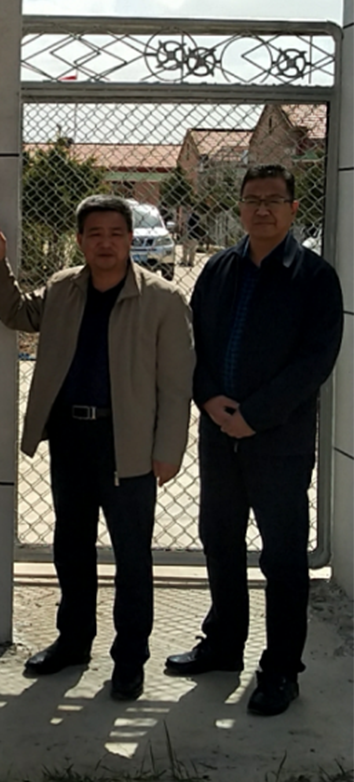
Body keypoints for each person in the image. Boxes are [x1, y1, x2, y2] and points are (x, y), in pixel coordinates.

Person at [0, 195, 194, 700]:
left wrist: (169, 448)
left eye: (116, 233)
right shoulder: (63, 288)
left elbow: (176, 384)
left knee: (132, 556)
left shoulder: (162, 300)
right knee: (71, 547)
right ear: (80, 240)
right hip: (72, 440)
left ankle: (130, 660)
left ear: (130, 239)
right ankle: (73, 641)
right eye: (95, 234)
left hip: (129, 443)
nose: (105, 243)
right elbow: (18, 313)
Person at [166, 164, 343, 716]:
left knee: (283, 556)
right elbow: (194, 346)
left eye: (273, 200)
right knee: (219, 541)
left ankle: (281, 669)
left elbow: (316, 360)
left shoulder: (314, 277)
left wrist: (257, 415)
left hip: (279, 441)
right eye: (252, 199)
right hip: (220, 434)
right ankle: (223, 644)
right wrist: (208, 398)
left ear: (293, 209)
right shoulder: (218, 269)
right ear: (239, 208)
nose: (261, 209)